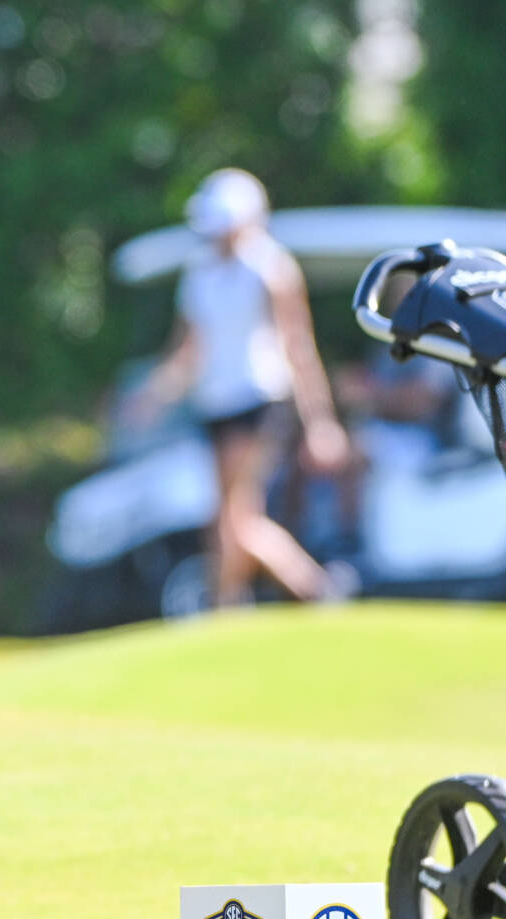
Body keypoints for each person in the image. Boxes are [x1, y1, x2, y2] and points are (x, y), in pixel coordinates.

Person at [132, 169, 352, 607]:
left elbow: (297, 346)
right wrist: (155, 393)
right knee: (228, 519)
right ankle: (309, 591)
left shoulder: (270, 267)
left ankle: (236, 605)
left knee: (233, 517)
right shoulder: (199, 272)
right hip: (215, 403)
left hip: (258, 398)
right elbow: (189, 348)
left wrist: (319, 421)